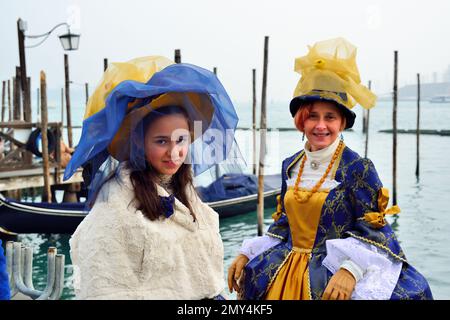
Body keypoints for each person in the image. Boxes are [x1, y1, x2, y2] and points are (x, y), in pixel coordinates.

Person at [227, 38, 433, 300]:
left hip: (330, 275)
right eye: (313, 116)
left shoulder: (358, 167)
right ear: (302, 120)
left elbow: (374, 231)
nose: (320, 125)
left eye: (330, 117)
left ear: (343, 121)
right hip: (283, 273)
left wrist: (351, 269)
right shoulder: (290, 166)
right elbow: (284, 225)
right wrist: (248, 252)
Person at [65, 56, 241, 299]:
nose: (174, 153)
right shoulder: (114, 209)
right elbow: (102, 287)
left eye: (181, 140)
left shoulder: (187, 195)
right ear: (138, 141)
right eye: (161, 141)